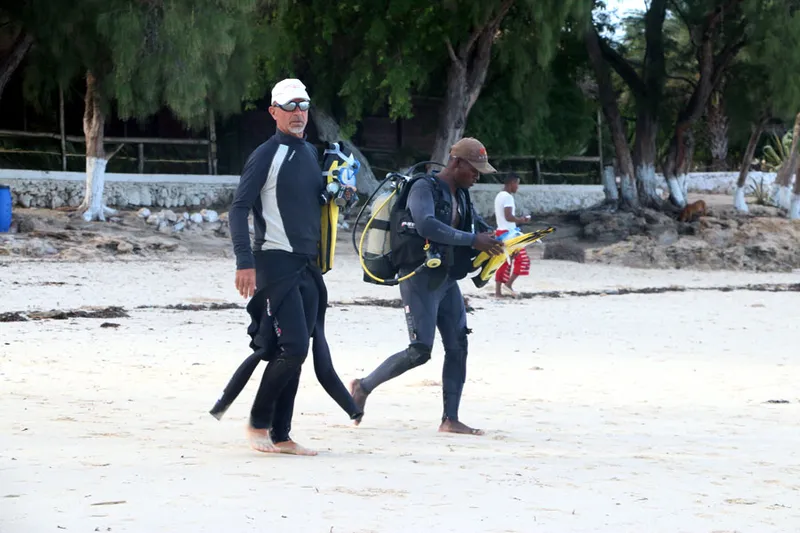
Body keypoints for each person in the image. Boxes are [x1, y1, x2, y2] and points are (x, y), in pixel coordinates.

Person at [349, 137, 504, 436]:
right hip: (419, 275)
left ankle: (450, 419)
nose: (477, 176)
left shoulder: (462, 194)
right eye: (474, 170)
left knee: (459, 345)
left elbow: (475, 226)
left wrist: (499, 238)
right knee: (420, 350)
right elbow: (427, 225)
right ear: (456, 163)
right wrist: (474, 240)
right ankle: (363, 386)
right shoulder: (424, 187)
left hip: (447, 279)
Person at [229, 78, 350, 456]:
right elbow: (238, 209)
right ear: (273, 112)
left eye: (304, 106)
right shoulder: (266, 154)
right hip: (274, 261)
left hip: (307, 264)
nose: (299, 113)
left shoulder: (312, 154)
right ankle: (257, 424)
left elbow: (313, 203)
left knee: (296, 349)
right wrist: (244, 263)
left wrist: (340, 193)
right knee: (294, 347)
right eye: (290, 106)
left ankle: (282, 435)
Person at [493, 173, 532, 298]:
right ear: (512, 183)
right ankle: (508, 284)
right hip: (509, 233)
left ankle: (498, 292)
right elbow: (509, 217)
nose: (518, 187)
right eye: (517, 184)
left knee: (504, 261)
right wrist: (522, 220)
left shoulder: (499, 195)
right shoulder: (508, 197)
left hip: (500, 232)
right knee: (523, 260)